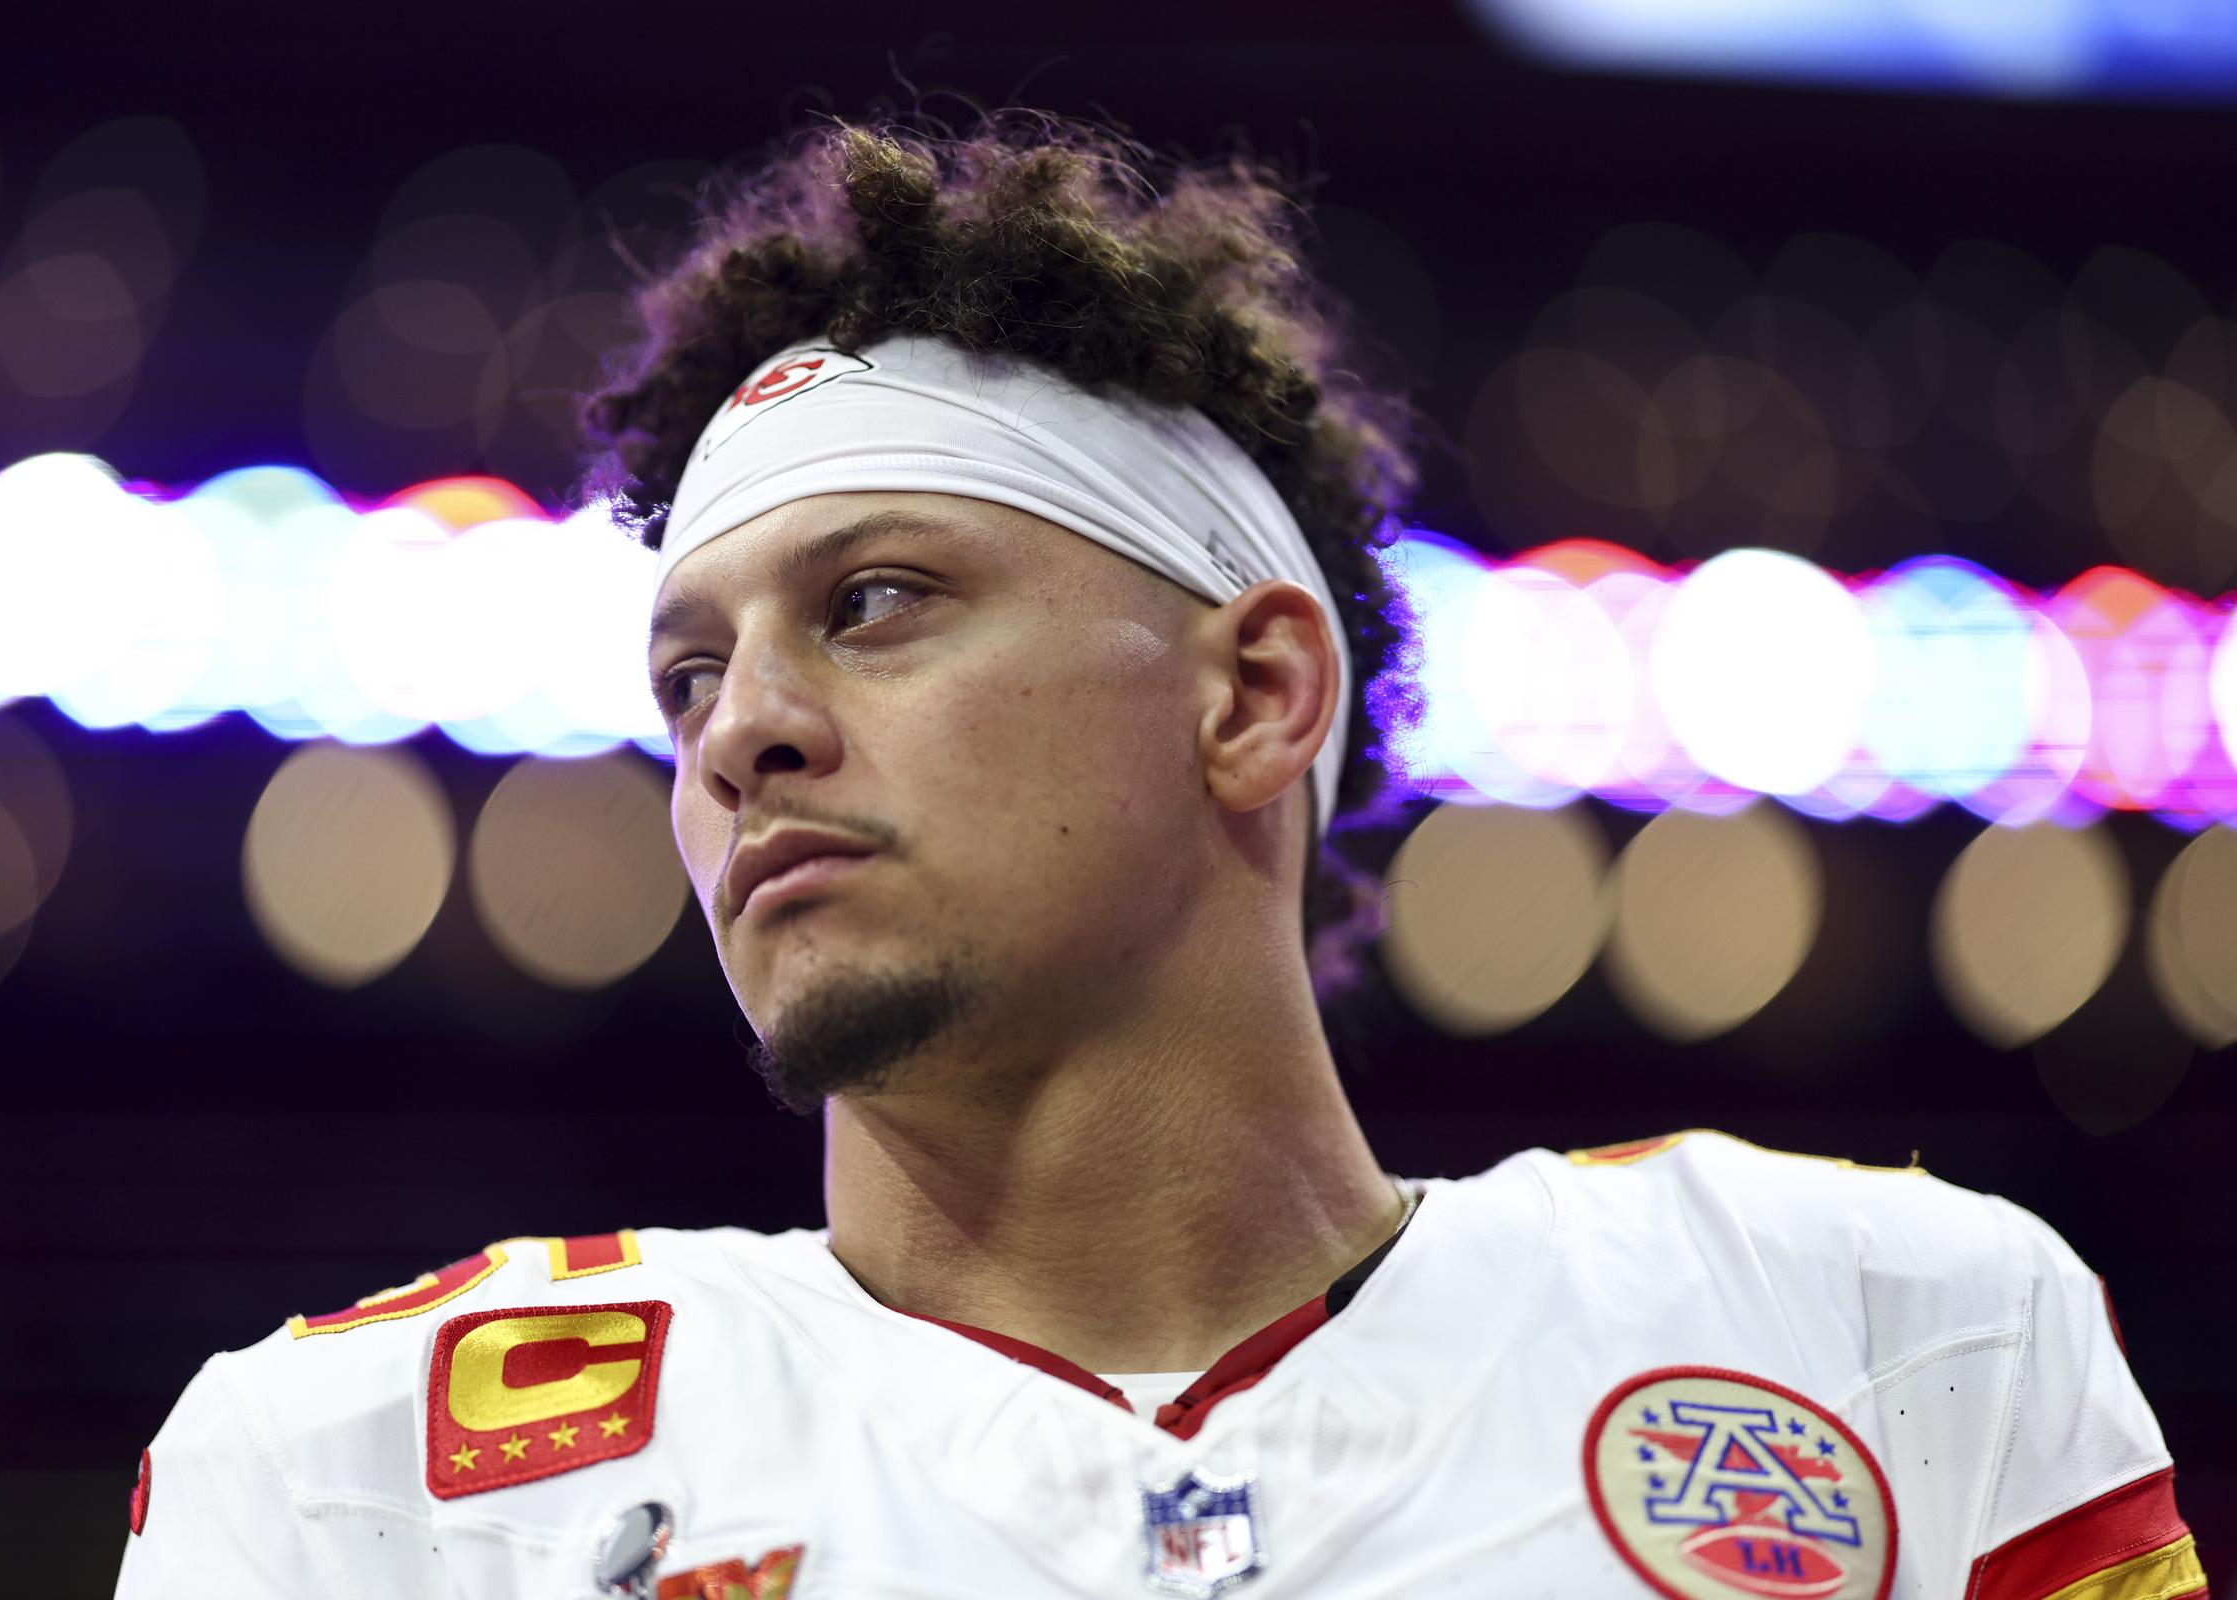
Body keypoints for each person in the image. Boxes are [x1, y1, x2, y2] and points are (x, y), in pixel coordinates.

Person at [115, 110, 2206, 1600]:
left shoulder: (1880, 1335)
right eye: (686, 672)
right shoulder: (361, 1480)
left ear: (1252, 695)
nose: (738, 727)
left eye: (874, 599)